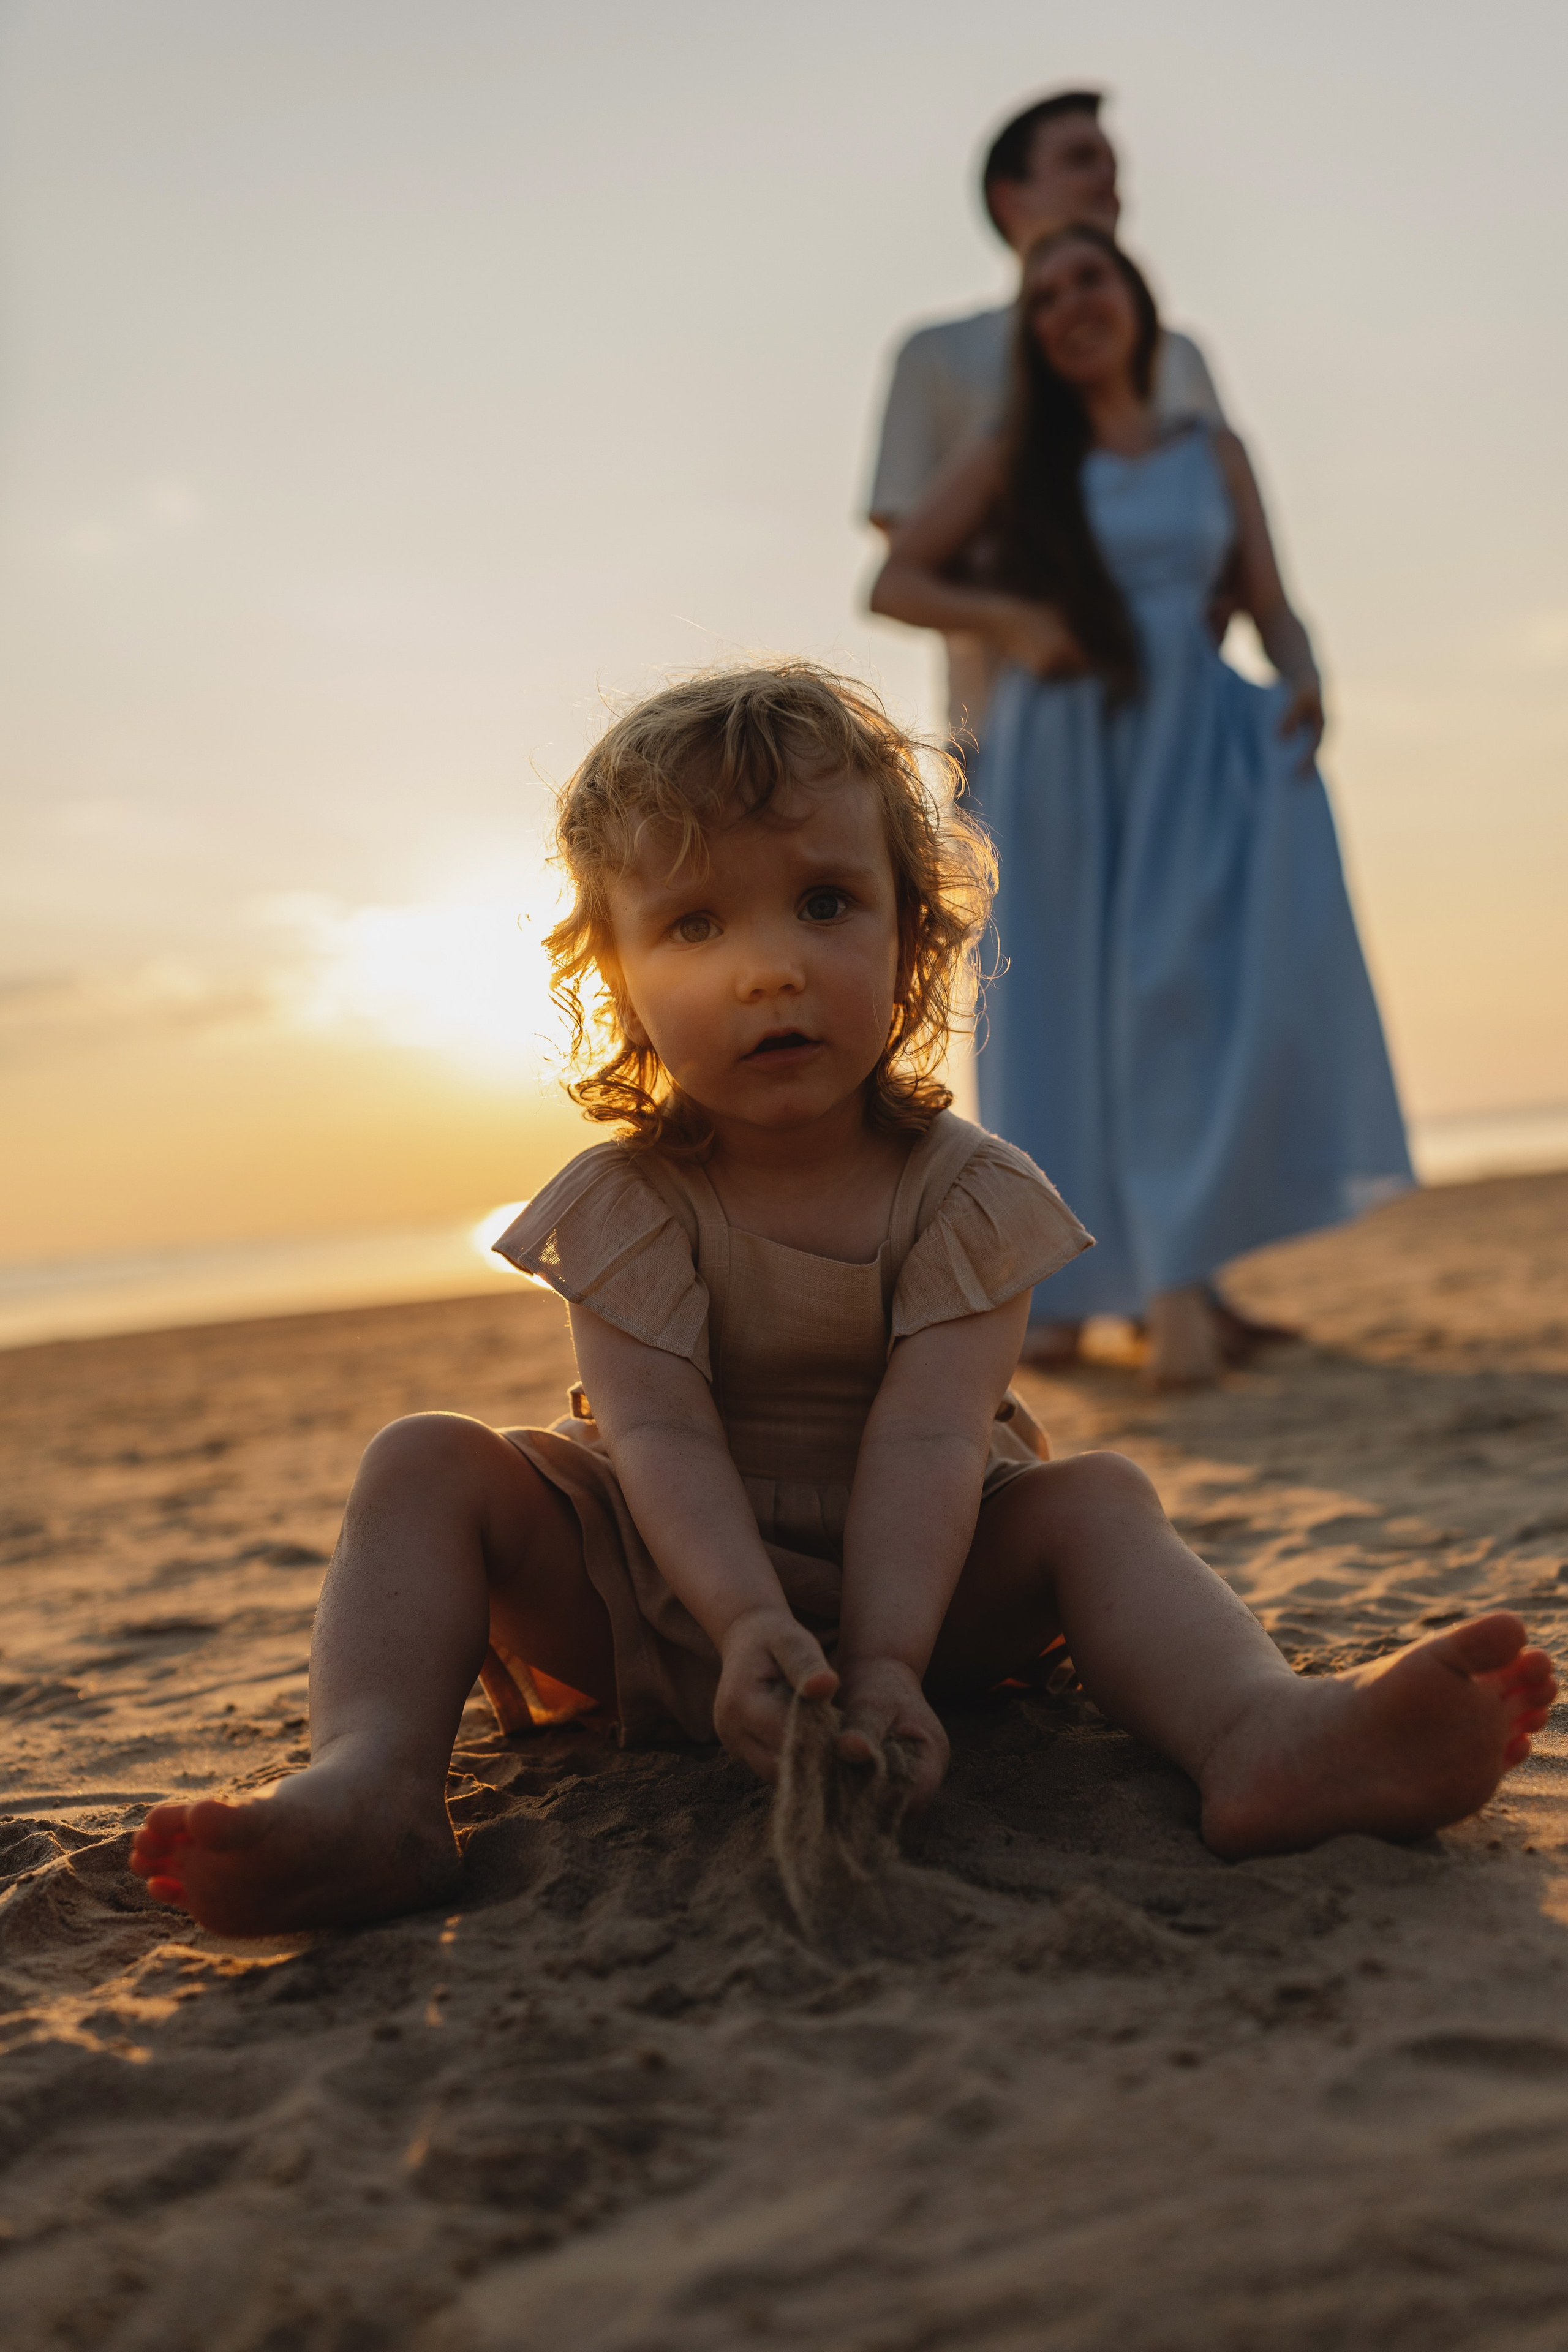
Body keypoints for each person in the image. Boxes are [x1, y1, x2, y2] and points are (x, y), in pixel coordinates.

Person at [130, 664, 1553, 1937]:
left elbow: (935, 1437)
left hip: (933, 1600)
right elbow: (659, 1435)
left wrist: (882, 1660)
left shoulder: (961, 1189)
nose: (769, 963)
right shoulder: (627, 1201)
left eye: (824, 901)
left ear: (910, 939)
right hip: (653, 1595)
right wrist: (747, 1620)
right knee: (425, 1458)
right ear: (617, 982)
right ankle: (373, 1781)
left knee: (1096, 1500)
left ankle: (1257, 1730)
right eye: (694, 922)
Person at [870, 225, 1415, 1384]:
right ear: (1033, 327)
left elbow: (1274, 602)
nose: (1075, 303)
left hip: (1196, 743)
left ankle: (1177, 1278)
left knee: (1184, 990)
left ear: (1137, 298)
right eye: (1050, 292)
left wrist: (1307, 678)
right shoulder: (1018, 451)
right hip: (1064, 749)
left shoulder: (1210, 448)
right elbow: (896, 577)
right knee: (1063, 1007)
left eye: (1094, 280)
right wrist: (1020, 625)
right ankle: (1091, 1285)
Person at [868, 88, 1225, 744]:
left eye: (1115, 169)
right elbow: (905, 554)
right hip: (1008, 730)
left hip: (1181, 728)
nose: (1110, 185)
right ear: (1012, 198)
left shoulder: (1180, 359)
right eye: (1081, 160)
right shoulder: (939, 355)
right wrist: (1024, 620)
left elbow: (1226, 545)